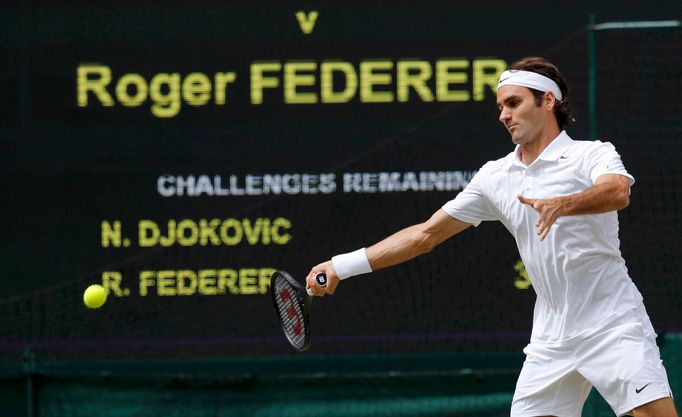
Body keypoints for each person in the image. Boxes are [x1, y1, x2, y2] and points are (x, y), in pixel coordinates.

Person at [305, 57, 678, 417]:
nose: (504, 115)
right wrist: (342, 266)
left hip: (612, 321)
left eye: (513, 103)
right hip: (550, 338)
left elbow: (617, 193)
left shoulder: (591, 155)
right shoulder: (494, 176)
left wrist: (563, 204)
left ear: (547, 101)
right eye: (501, 106)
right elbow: (426, 234)